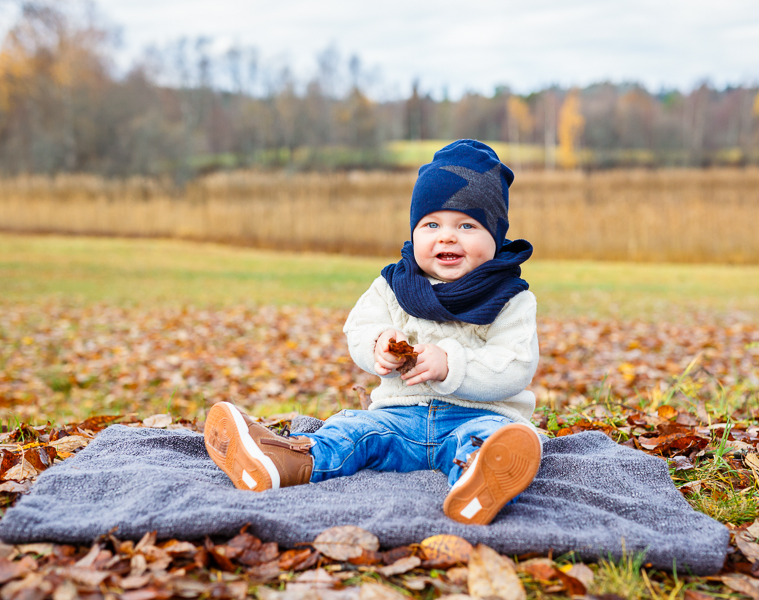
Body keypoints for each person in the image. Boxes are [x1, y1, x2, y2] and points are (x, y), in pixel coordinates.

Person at [203, 139, 541, 525]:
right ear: (414, 232)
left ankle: (480, 478)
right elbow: (360, 328)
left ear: (495, 239)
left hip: (478, 416)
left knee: (489, 438)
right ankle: (287, 462)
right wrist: (378, 344)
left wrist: (451, 365)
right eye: (431, 224)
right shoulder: (393, 286)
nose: (447, 236)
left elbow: (515, 366)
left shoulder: (510, 298)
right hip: (398, 418)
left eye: (467, 225)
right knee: (352, 429)